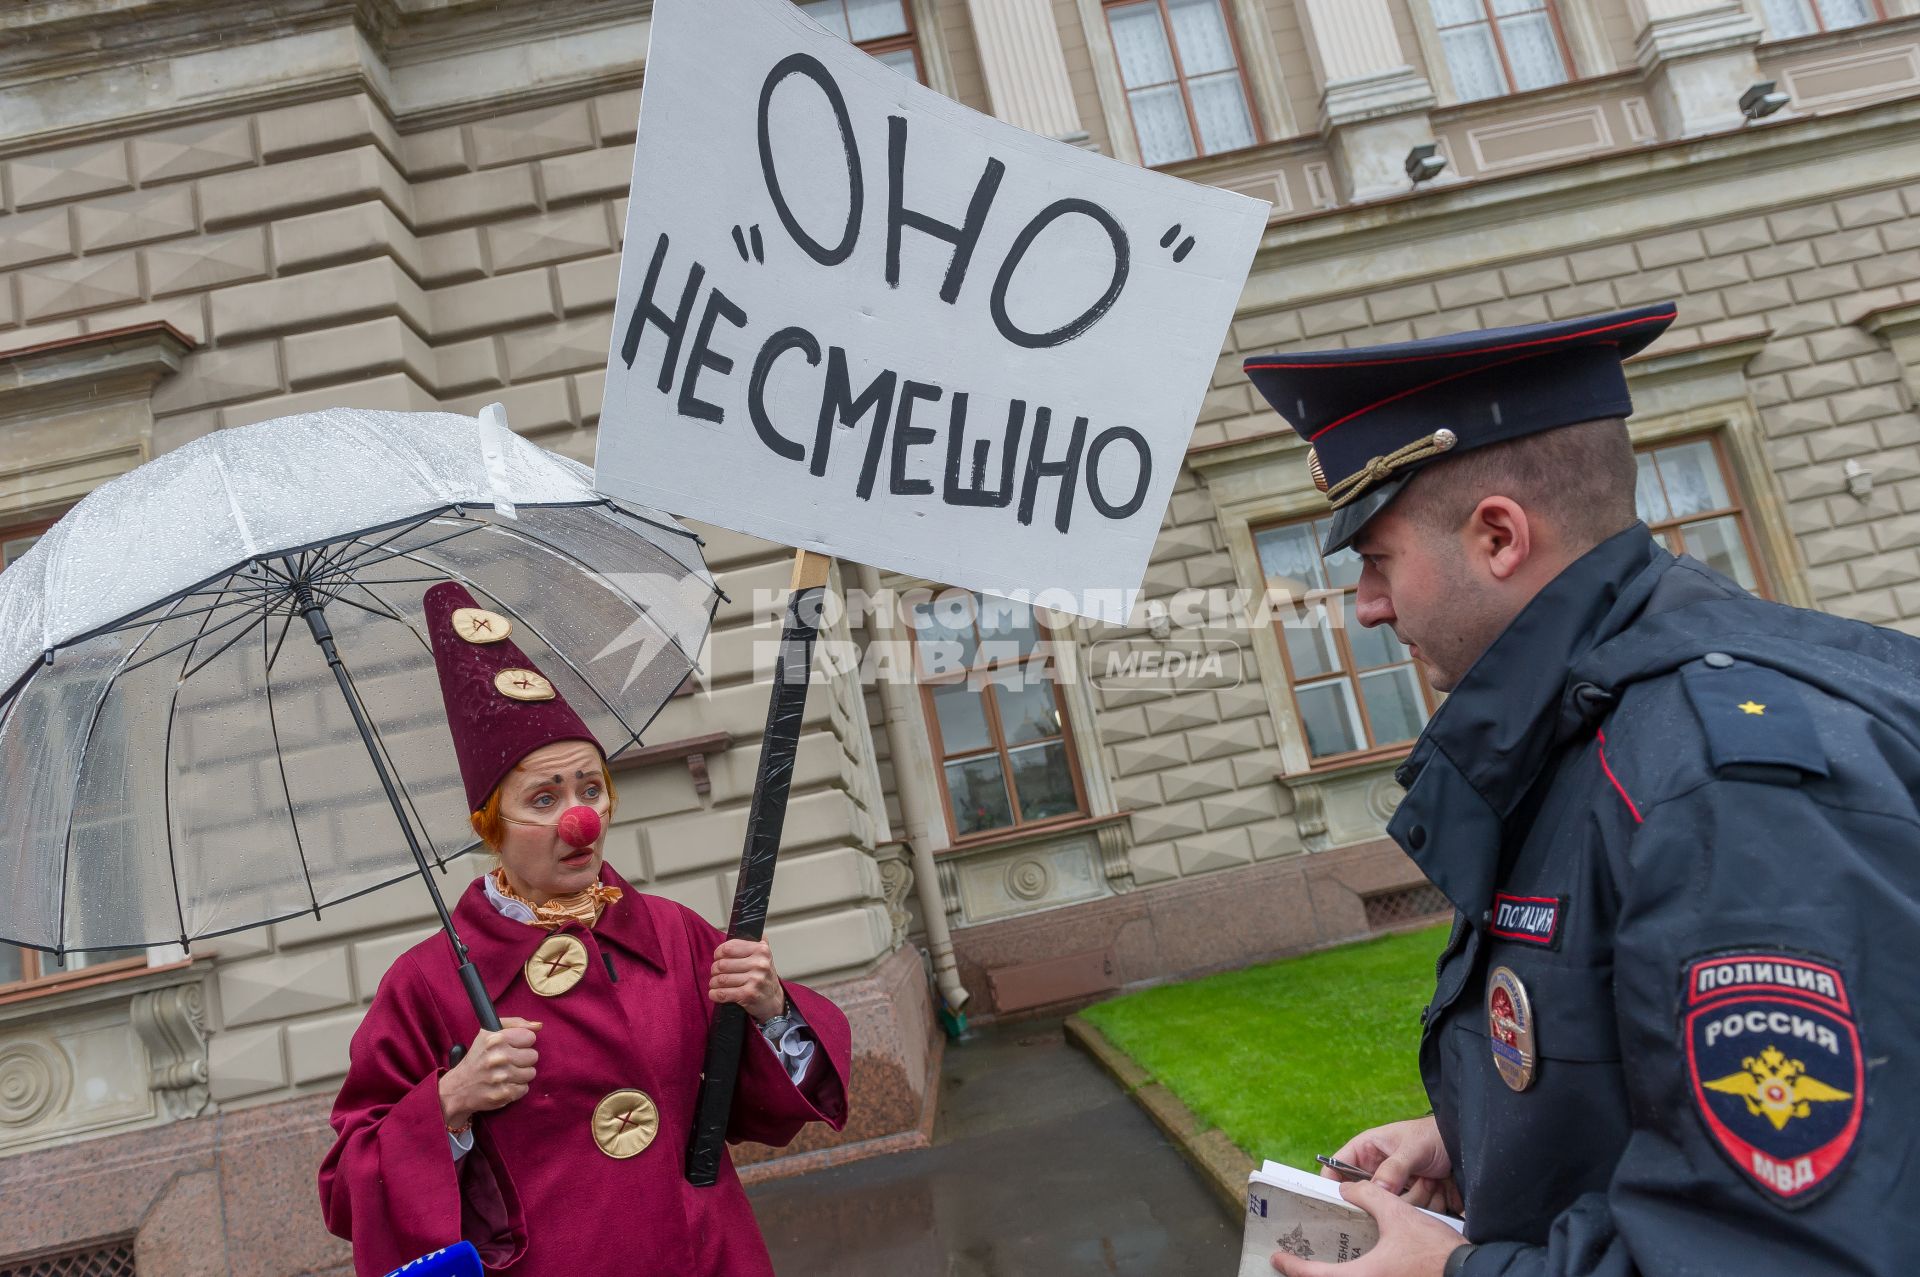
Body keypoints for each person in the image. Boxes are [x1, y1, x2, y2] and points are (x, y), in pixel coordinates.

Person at [1242, 303, 1920, 1275]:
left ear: (1499, 537)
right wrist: (1481, 1143)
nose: (1368, 606)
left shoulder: (1721, 789)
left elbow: (1787, 1252)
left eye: (1378, 559)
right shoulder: (1598, 722)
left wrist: (1450, 1270)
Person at [319, 582, 850, 1276]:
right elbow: (344, 1190)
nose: (583, 819)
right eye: (545, 798)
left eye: (590, 789)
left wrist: (771, 1011)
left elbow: (760, 1102)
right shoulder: (424, 985)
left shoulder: (675, 935)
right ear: (492, 825)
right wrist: (449, 1101)